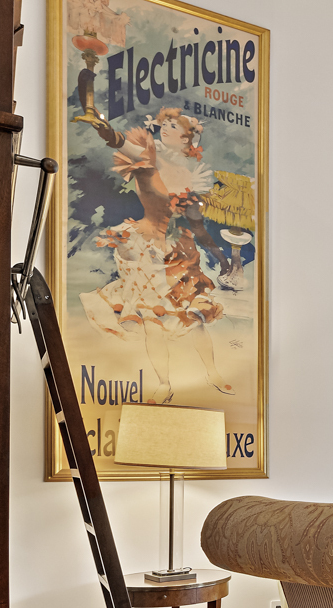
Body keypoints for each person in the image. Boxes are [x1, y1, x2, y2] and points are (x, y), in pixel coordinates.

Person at [74, 107, 235, 402]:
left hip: (178, 252)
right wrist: (102, 126)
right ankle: (164, 383)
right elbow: (120, 140)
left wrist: (222, 259)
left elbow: (197, 226)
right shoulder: (147, 157)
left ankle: (212, 372)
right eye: (164, 123)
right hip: (144, 248)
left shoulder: (190, 175)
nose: (165, 128)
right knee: (152, 322)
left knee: (194, 320)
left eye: (173, 126)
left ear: (188, 138)